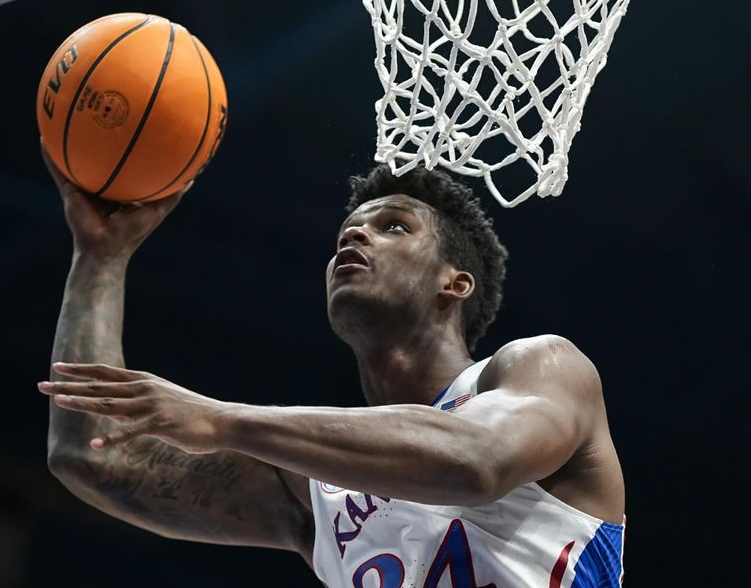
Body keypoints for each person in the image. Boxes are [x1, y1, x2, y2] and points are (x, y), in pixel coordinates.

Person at [38, 152, 625, 587]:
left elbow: (476, 463)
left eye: (394, 225)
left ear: (456, 282)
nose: (356, 232)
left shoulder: (540, 367)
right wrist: (100, 258)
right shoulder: (318, 490)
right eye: (351, 229)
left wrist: (222, 420)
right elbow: (94, 455)